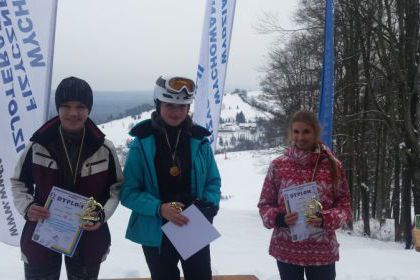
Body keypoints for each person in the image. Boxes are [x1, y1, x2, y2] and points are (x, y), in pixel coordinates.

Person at [11, 76, 123, 280]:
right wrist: (27, 207)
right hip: (43, 233)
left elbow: (115, 189)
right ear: (58, 108)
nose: (73, 113)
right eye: (66, 106)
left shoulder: (104, 149)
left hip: (87, 234)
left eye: (80, 106)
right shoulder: (38, 145)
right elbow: (19, 182)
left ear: (88, 109)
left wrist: (101, 215)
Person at [120, 75, 221, 280]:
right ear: (158, 105)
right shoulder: (142, 143)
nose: (177, 112)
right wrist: (159, 208)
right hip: (156, 230)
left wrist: (208, 205)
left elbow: (213, 181)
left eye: (183, 106)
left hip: (192, 224)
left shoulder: (199, 141)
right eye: (170, 105)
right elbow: (128, 192)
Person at [258, 110, 352, 280]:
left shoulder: (333, 165)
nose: (300, 137)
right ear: (290, 133)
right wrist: (280, 218)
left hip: (321, 250)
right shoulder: (278, 165)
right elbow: (264, 205)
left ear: (315, 132)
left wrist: (325, 219)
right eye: (296, 132)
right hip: (287, 249)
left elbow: (345, 208)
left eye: (306, 132)